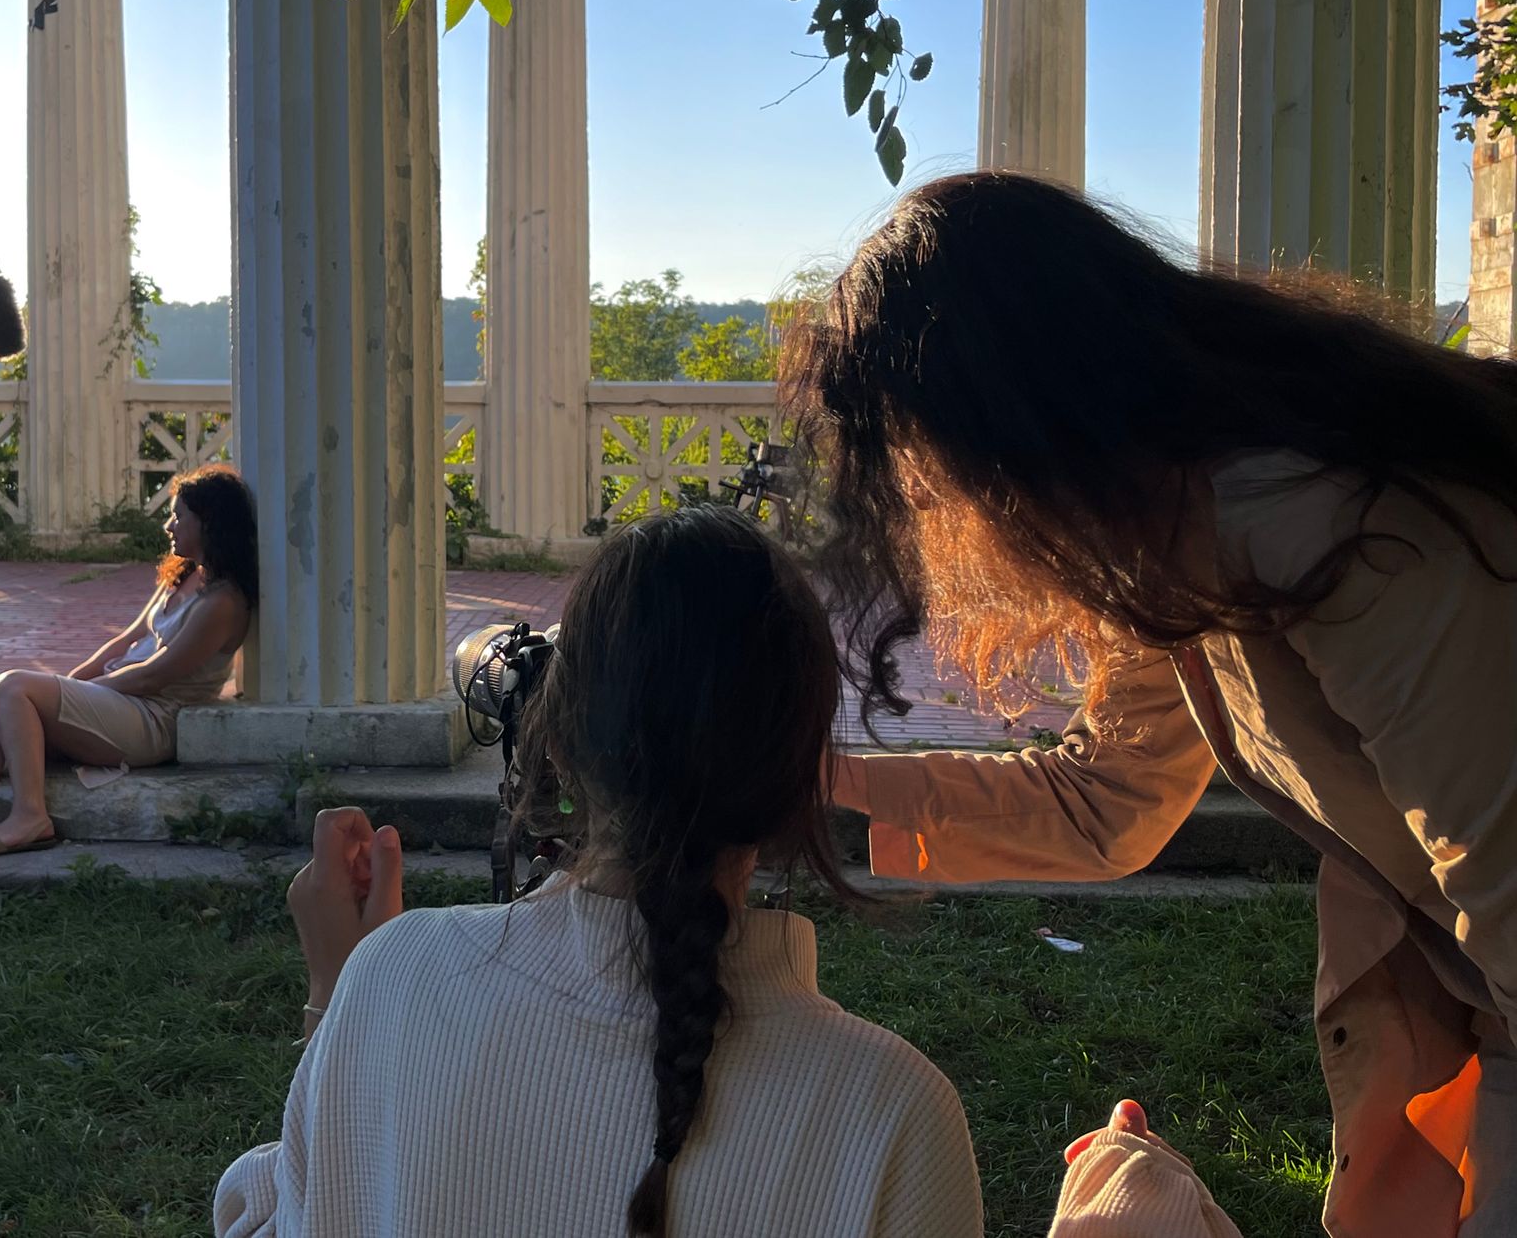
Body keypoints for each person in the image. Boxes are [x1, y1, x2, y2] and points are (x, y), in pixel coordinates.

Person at [783, 171, 1517, 1238]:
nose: (928, 506)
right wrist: (821, 775)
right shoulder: (1160, 520)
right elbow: (1107, 797)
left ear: (999, 425)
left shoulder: (1326, 521)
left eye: (918, 462)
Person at [214, 506, 1238, 1237]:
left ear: (557, 740)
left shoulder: (391, 981)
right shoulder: (891, 1113)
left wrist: (332, 995)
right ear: (808, 786)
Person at [0, 463, 257, 858]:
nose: (169, 527)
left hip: (152, 718)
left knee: (13, 686)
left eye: (178, 517)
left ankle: (30, 816)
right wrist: (70, 682)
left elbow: (153, 677)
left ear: (209, 523)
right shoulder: (186, 575)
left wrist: (76, 692)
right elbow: (126, 639)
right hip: (120, 701)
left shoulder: (223, 602)